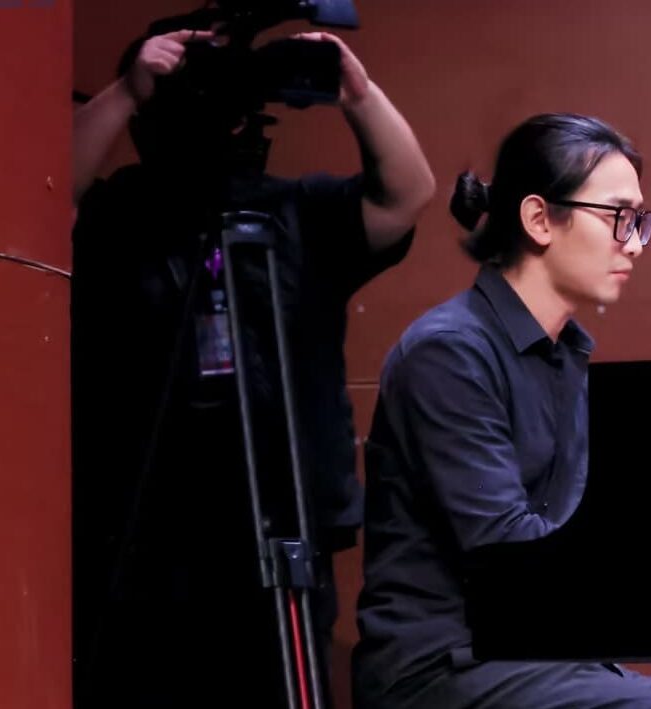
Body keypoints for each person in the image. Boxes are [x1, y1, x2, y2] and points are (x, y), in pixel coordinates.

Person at [70, 23, 434, 709]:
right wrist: (126, 90)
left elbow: (405, 195)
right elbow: (40, 194)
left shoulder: (296, 211)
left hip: (287, 516)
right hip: (150, 525)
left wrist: (358, 96)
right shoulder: (120, 214)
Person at [351, 112, 651, 709]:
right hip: (445, 668)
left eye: (639, 221)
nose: (634, 242)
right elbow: (511, 557)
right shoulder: (448, 353)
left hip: (540, 655)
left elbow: (582, 536)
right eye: (618, 217)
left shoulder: (564, 354)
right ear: (539, 219)